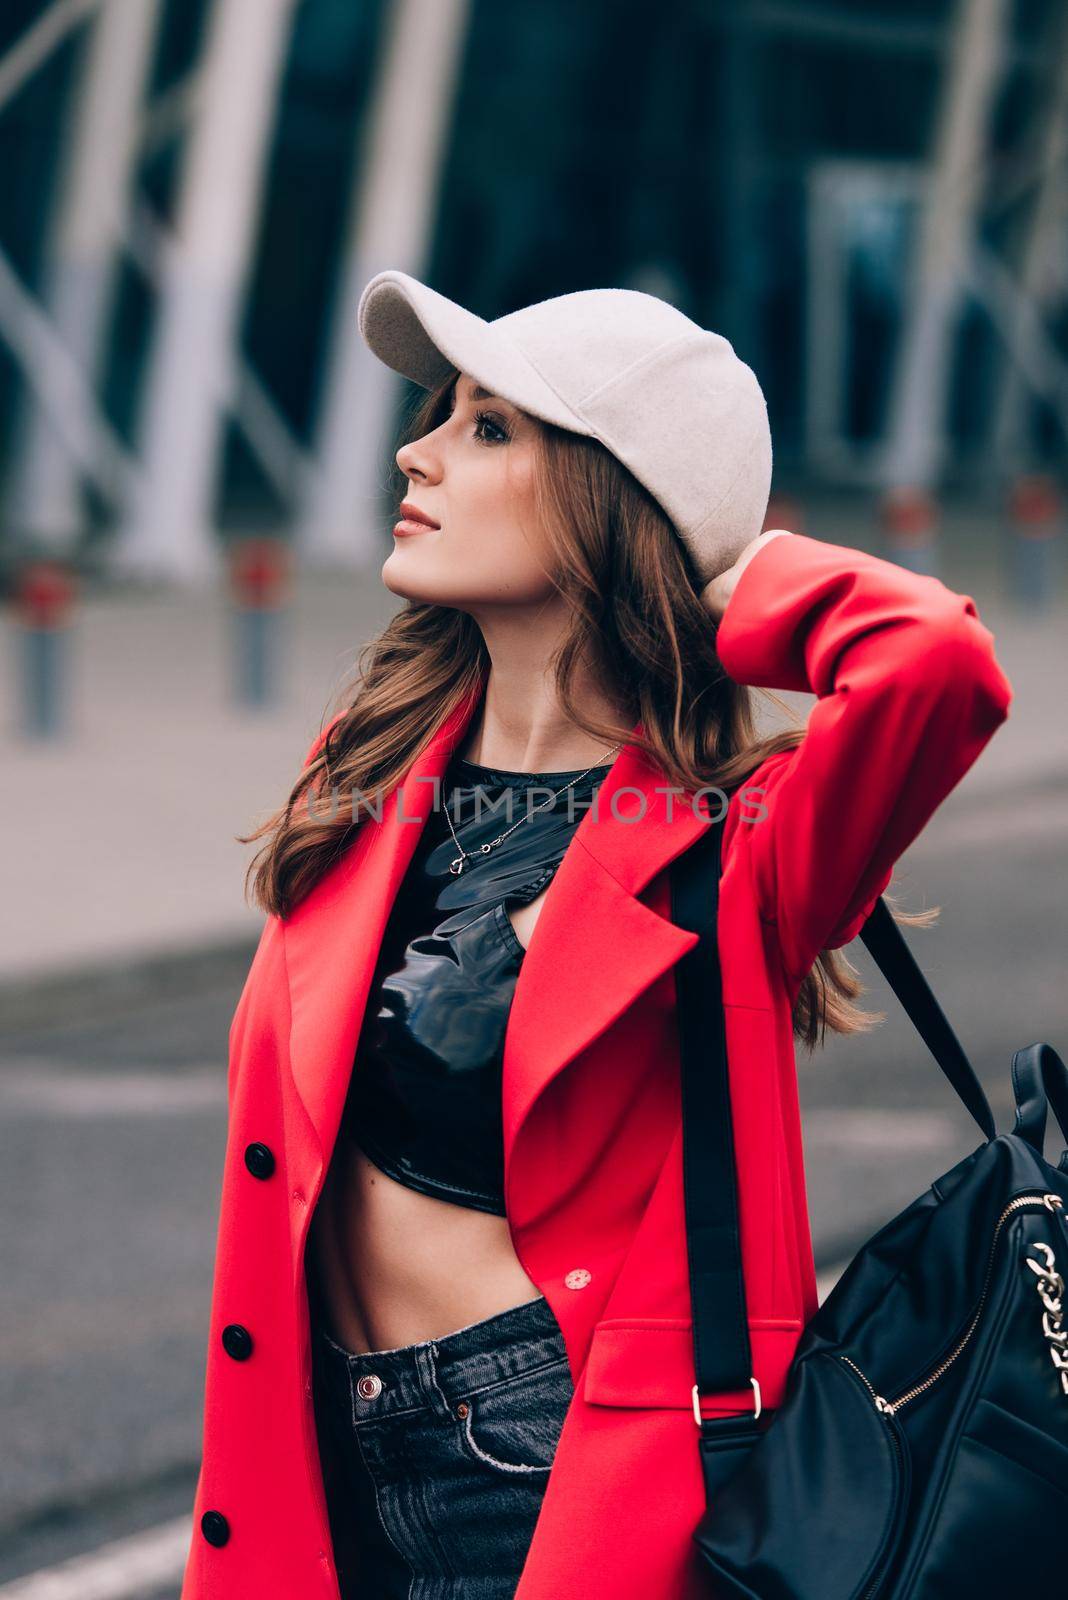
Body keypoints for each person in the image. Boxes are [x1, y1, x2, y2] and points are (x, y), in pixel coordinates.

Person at [180, 271, 1012, 1600]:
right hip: (322, 1445)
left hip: (540, 1463)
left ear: (609, 506)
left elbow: (936, 665)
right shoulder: (373, 766)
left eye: (492, 428)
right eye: (443, 414)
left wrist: (725, 573)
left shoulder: (739, 847)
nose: (419, 449)